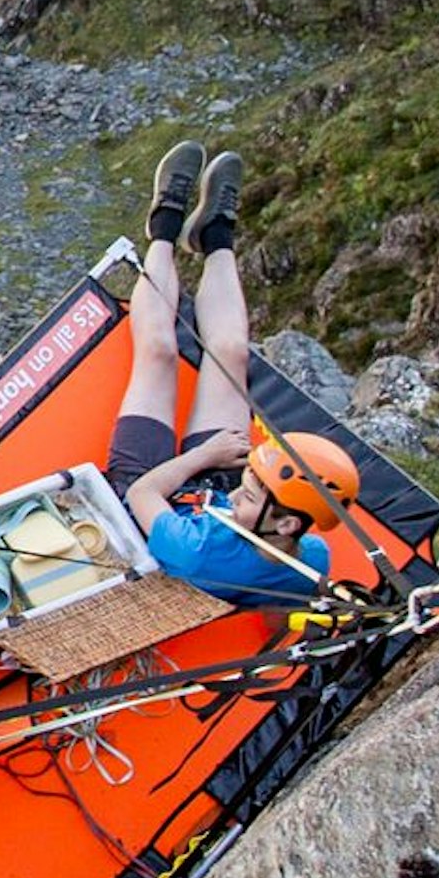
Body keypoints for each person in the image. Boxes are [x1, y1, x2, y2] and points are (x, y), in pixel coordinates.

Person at [107, 143, 361, 608]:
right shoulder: (310, 555)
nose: (242, 493)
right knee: (229, 354)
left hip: (150, 491)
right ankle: (218, 235)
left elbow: (143, 492)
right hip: (210, 488)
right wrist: (230, 477)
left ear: (283, 523)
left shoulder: (198, 554)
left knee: (159, 354)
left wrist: (206, 455)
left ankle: (163, 226)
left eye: (250, 493)